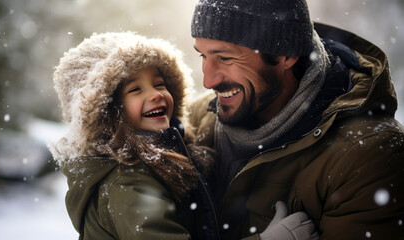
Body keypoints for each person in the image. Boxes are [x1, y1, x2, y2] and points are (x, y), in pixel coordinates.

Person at [49, 32, 316, 240]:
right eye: (135, 90)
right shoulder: (128, 183)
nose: (154, 94)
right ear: (108, 112)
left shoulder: (168, 153)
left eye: (159, 83)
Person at [188, 0, 404, 239]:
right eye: (203, 55)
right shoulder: (197, 118)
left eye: (226, 58)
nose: (208, 81)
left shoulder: (367, 156)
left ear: (287, 55)